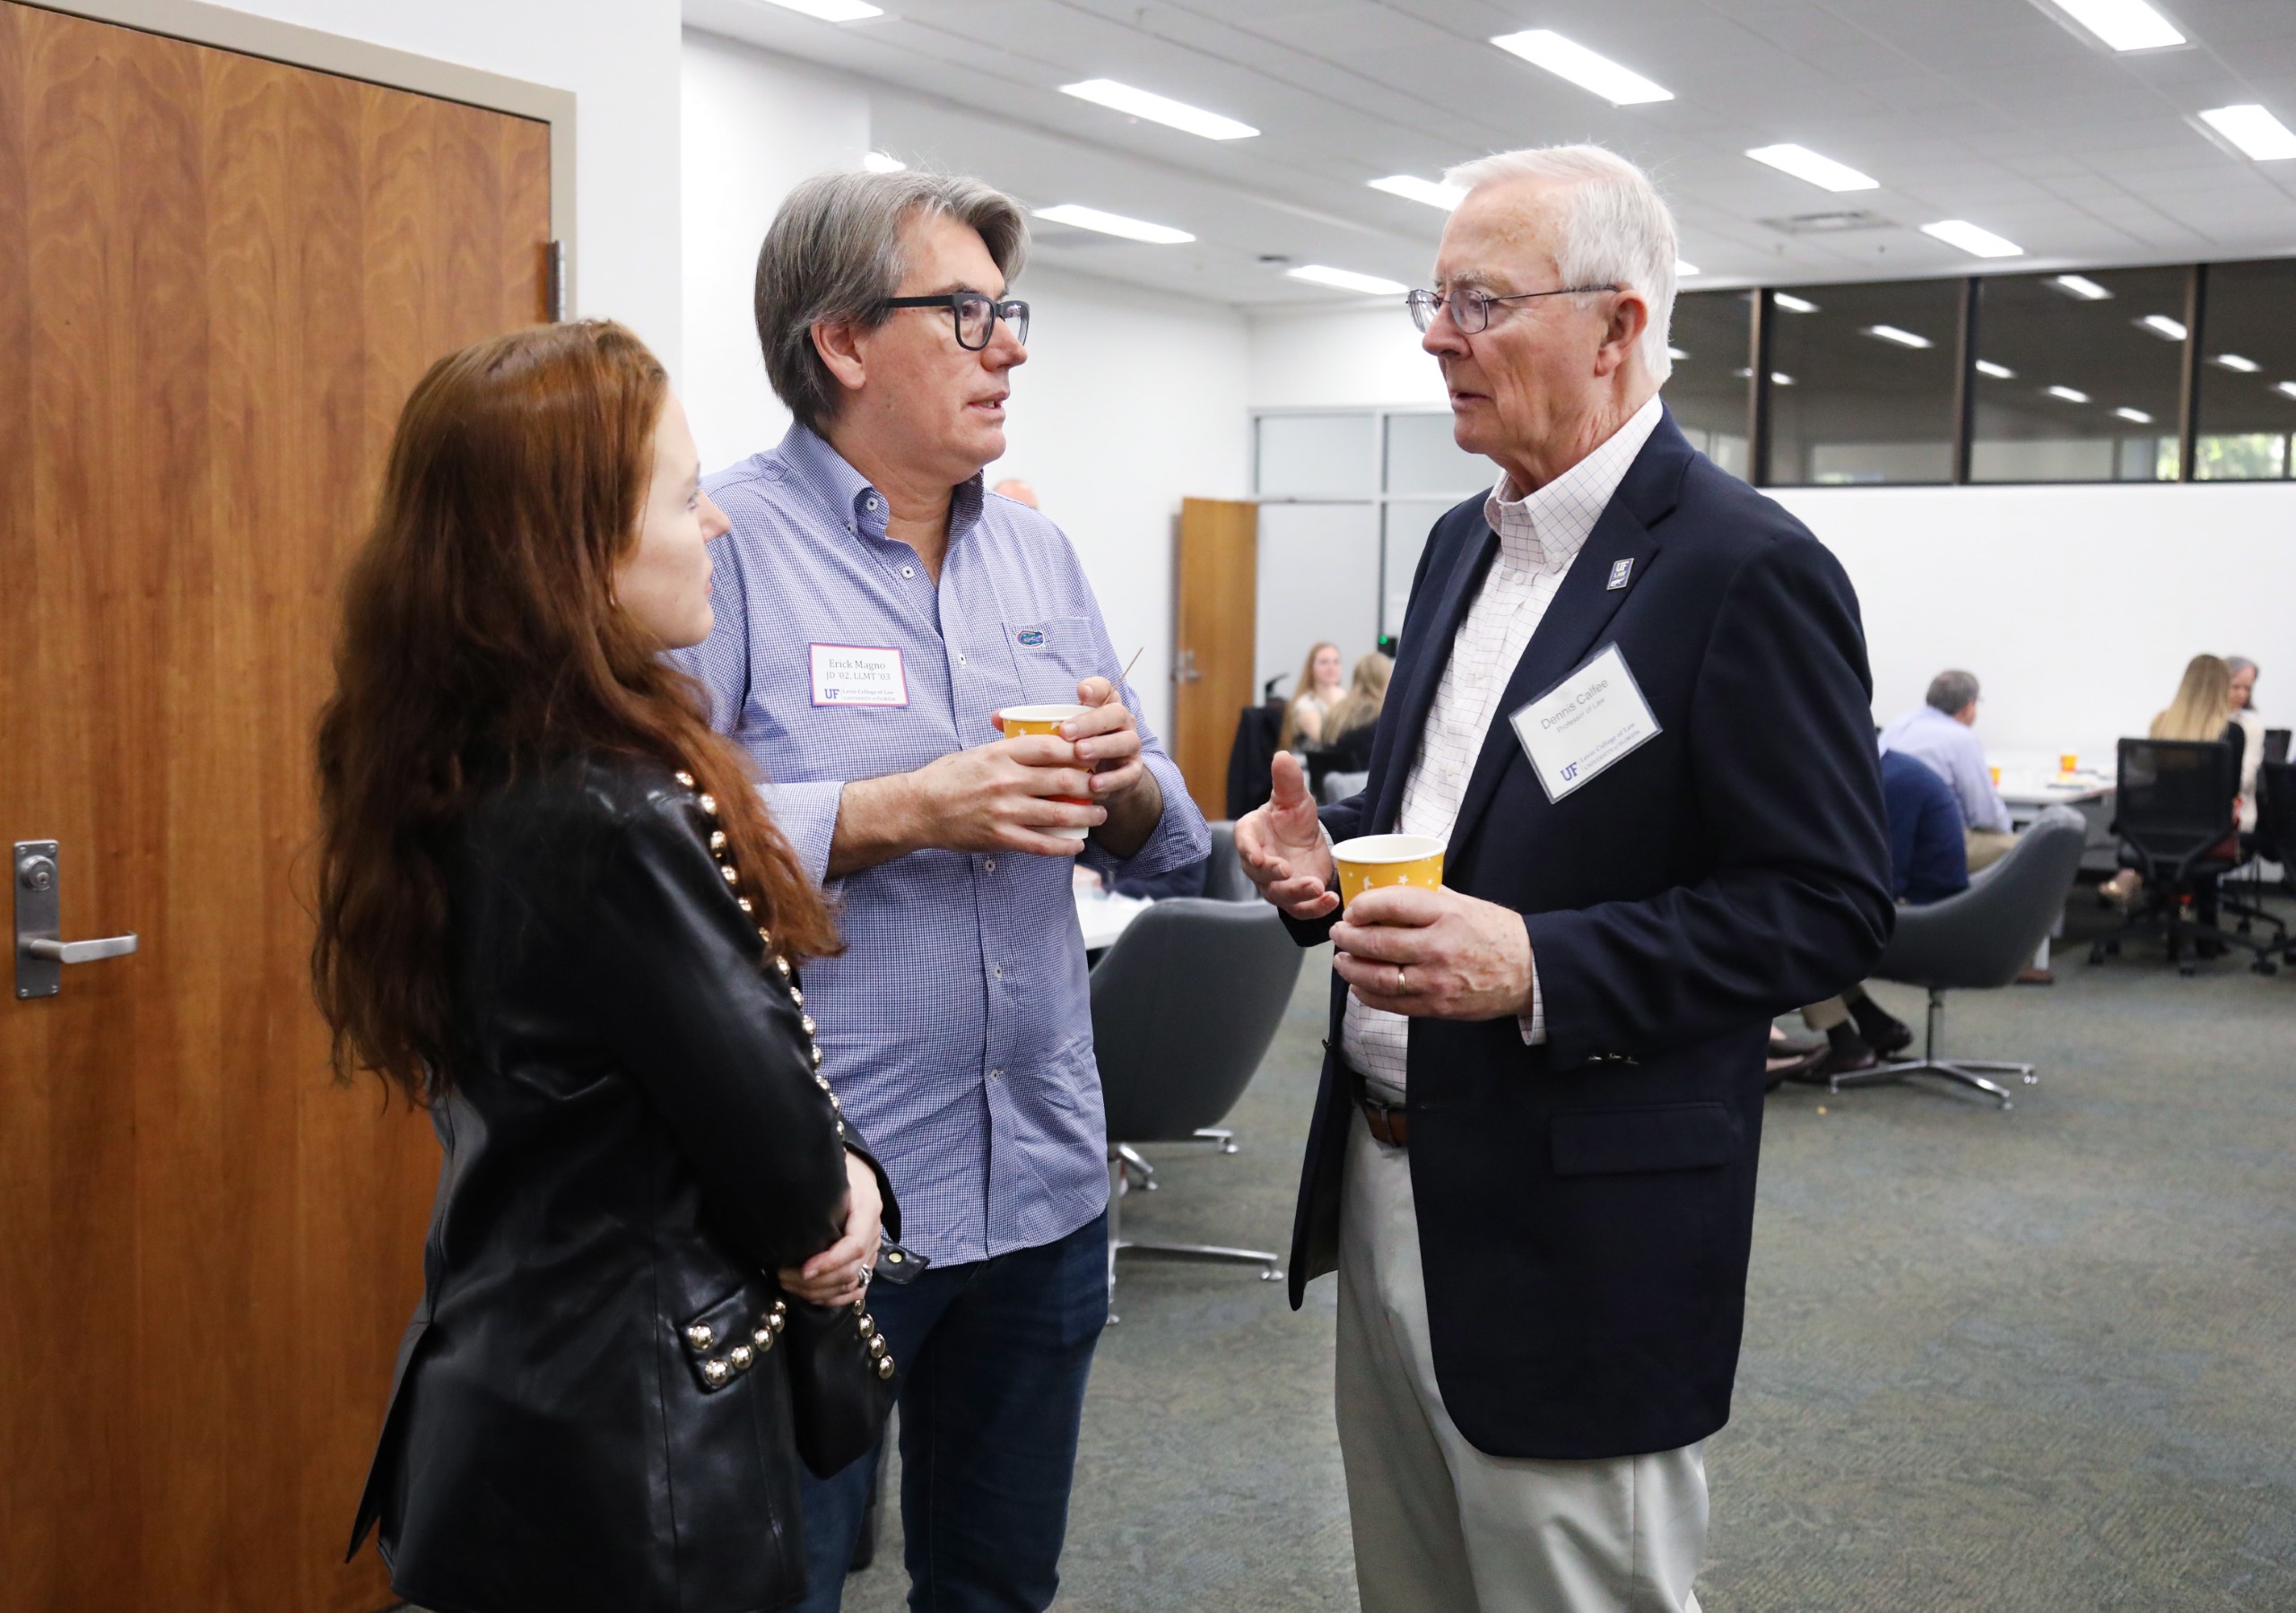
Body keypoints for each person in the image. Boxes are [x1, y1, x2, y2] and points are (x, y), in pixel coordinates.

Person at [1234, 143, 1892, 1612]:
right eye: (1436, 294)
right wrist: (1327, 876)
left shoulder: (1741, 568)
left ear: (1619, 327)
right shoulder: (1463, 550)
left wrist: (1544, 965)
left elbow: (1829, 901)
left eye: (1481, 298)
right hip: (1385, 1170)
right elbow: (1472, 833)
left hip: (1576, 1227)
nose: (1435, 333)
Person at [674, 169, 1208, 1612]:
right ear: (843, 341)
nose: (1012, 346)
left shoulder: (1037, 549)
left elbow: (1170, 845)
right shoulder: (713, 551)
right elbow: (648, 848)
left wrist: (1131, 781)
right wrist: (894, 811)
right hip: (824, 1208)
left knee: (995, 1585)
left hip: (1038, 1179)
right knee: (775, 1583)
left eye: (1009, 311)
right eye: (969, 313)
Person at [315, 322, 891, 1612]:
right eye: (683, 498)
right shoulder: (614, 813)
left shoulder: (450, 761)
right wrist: (850, 1184)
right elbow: (794, 1182)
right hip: (631, 1462)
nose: (718, 527)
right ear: (573, 545)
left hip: (505, 1386)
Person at [1782, 749, 1970, 1084]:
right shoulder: (1897, 770)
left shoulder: (1890, 784)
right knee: (1815, 911)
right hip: (1943, 906)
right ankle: (1874, 1023)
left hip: (1928, 916)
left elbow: (1885, 877)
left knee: (1795, 923)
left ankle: (1845, 1046)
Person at [1879, 669, 2016, 872]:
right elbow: (1986, 815)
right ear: (1969, 706)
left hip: (1886, 843)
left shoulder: (1897, 726)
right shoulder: (1960, 738)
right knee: (2032, 845)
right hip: (1938, 845)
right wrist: (2010, 831)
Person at [1278, 640, 1347, 751]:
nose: (1331, 667)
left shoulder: (1347, 697)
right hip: (1310, 765)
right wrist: (1339, 704)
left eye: (1336, 662)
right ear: (1311, 668)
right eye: (1324, 662)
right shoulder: (1305, 704)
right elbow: (1326, 739)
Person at [2227, 655, 2263, 829]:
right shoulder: (2204, 723)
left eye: (2247, 688)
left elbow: (2245, 778)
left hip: (2238, 815)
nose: (2242, 694)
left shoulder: (2252, 728)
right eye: (2235, 687)